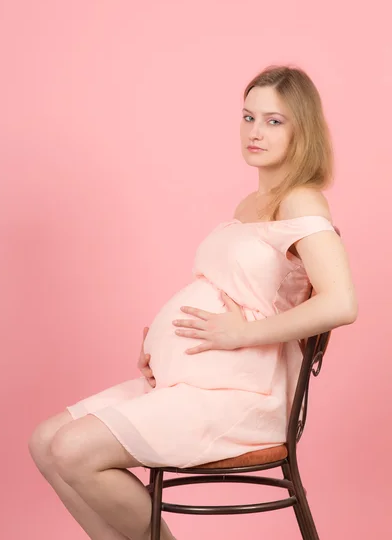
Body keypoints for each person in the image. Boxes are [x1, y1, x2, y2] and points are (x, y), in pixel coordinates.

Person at [28, 65, 358, 540]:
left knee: (74, 450)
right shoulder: (251, 203)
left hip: (245, 397)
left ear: (302, 129)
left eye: (274, 121)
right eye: (248, 117)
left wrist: (239, 333)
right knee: (45, 443)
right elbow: (235, 288)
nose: (255, 132)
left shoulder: (301, 201)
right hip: (196, 384)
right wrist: (163, 342)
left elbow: (342, 303)